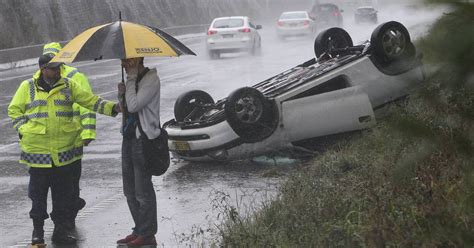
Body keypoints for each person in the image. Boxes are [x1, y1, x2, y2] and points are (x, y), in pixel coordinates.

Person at [8, 58, 121, 245]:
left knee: (62, 196)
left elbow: (90, 101)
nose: (58, 71)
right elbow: (14, 110)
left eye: (59, 67)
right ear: (43, 70)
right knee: (38, 197)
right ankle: (38, 233)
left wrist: (113, 108)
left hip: (63, 153)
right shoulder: (27, 87)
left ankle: (60, 231)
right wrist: (24, 129)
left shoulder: (69, 85)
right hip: (38, 154)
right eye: (53, 68)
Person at [41, 42, 96, 230]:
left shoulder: (74, 77)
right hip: (54, 145)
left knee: (69, 183)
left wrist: (88, 132)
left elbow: (86, 105)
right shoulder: (39, 80)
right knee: (62, 184)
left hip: (73, 139)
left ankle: (68, 214)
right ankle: (64, 219)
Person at [116, 57, 160, 246]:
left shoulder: (151, 79)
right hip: (128, 138)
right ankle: (139, 228)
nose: (124, 65)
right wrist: (121, 95)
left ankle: (148, 234)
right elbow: (126, 109)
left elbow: (135, 105)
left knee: (143, 191)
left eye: (128, 61)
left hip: (143, 140)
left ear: (137, 60)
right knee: (130, 191)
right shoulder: (132, 79)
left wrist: (132, 80)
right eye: (123, 62)